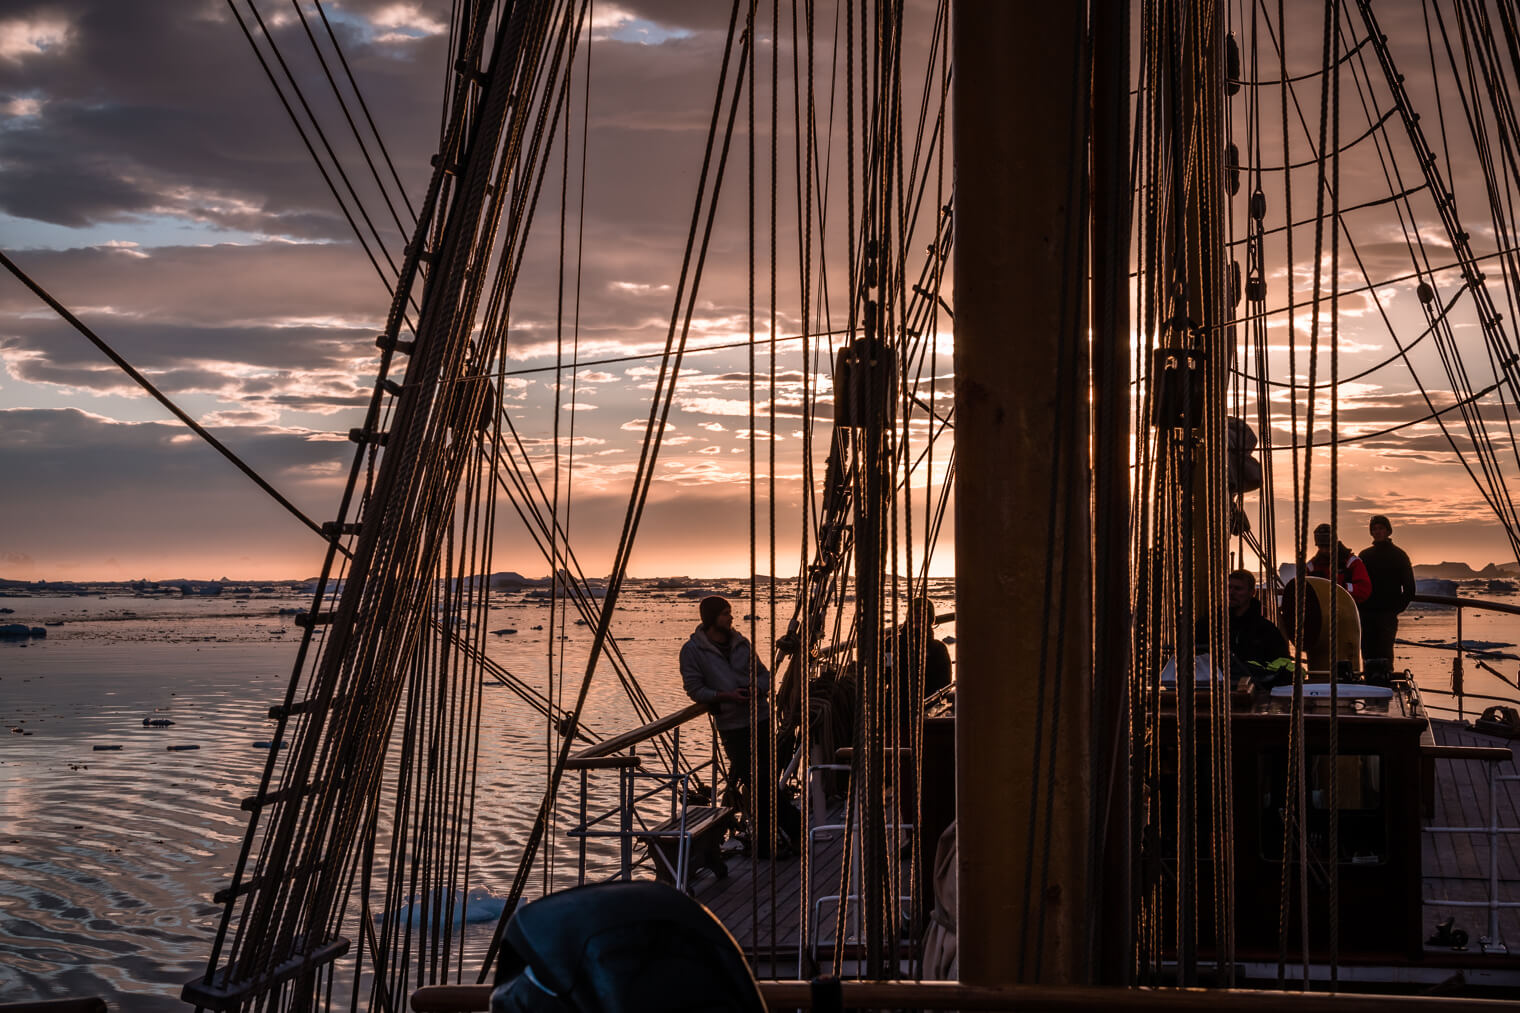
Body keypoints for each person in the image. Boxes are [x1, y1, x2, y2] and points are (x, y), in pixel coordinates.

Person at [679, 595, 801, 857]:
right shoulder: (692, 651)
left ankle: (767, 844)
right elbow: (695, 688)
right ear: (712, 618)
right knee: (757, 783)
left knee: (764, 783)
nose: (731, 617)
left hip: (761, 719)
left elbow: (764, 674)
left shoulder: (741, 643)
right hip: (733, 726)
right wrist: (725, 697)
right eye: (725, 613)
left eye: (730, 613)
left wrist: (757, 688)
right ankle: (795, 829)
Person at [1359, 514, 1416, 677]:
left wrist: (1395, 609)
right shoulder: (1364, 556)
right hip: (1366, 612)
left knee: (1385, 651)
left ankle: (1385, 682)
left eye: (1381, 528)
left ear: (1388, 531)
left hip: (1387, 613)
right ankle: (1370, 683)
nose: (1377, 532)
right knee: (1368, 651)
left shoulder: (1399, 555)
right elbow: (1357, 582)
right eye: (1374, 529)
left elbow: (1409, 588)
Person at [1225, 569, 1291, 686]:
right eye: (1229, 587)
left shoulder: (1266, 630)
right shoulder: (1209, 626)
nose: (1231, 592)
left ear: (1252, 592)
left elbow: (1282, 665)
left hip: (1256, 690)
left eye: (1238, 589)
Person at [1306, 523, 1372, 604]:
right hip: (1320, 612)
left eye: (1327, 546)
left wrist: (1343, 587)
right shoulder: (1311, 566)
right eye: (1321, 546)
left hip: (1347, 610)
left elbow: (1364, 590)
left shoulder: (1352, 562)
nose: (1324, 550)